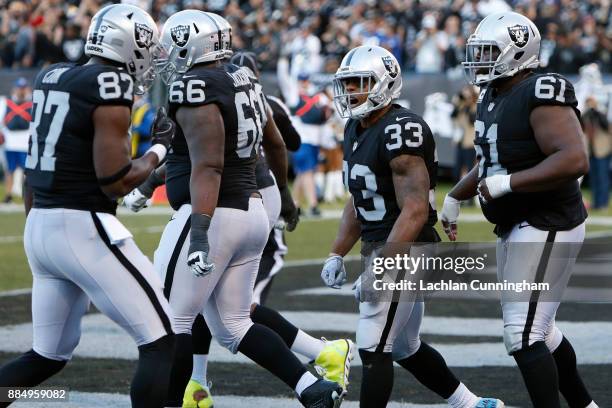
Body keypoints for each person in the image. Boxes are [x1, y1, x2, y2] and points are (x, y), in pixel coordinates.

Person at [125, 50, 354, 408]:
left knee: (171, 320)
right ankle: (312, 387)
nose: (170, 59)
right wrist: (284, 197)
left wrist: (198, 230)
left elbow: (208, 165)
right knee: (234, 323)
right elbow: (276, 145)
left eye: (176, 48)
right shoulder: (244, 83)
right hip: (253, 208)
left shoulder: (195, 90)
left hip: (211, 211)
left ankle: (179, 398)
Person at [0, 5, 176, 408]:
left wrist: (46, 236)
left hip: (41, 224)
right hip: (82, 226)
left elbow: (33, 168)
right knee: (161, 339)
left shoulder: (53, 75)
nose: (149, 56)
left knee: (46, 356)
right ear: (127, 44)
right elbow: (114, 180)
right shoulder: (110, 81)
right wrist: (160, 148)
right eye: (146, 46)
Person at [321, 44, 503, 408]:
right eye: (348, 83)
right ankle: (472, 404)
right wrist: (336, 253)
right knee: (404, 346)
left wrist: (383, 267)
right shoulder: (357, 127)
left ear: (385, 84)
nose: (351, 91)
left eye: (360, 82)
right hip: (387, 246)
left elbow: (416, 210)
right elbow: (360, 200)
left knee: (373, 344)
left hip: (407, 249)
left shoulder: (401, 129)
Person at [443, 11, 599, 408]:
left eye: (488, 52)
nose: (478, 60)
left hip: (548, 221)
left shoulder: (541, 89)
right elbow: (494, 157)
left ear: (517, 52)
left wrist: (509, 183)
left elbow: (574, 158)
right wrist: (456, 194)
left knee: (522, 333)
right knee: (540, 331)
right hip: (517, 222)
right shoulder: (494, 93)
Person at [0, 78, 31, 203]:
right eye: (19, 88)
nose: (21, 91)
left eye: (23, 88)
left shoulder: (32, 103)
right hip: (10, 141)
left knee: (26, 172)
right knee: (9, 170)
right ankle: (8, 195)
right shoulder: (6, 102)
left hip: (24, 142)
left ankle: (26, 196)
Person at [583, 96, 611, 210]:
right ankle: (596, 202)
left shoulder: (601, 114)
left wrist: (596, 111)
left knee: (603, 178)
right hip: (592, 151)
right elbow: (581, 123)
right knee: (594, 178)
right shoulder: (587, 116)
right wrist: (588, 111)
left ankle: (603, 203)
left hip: (602, 151)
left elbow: (605, 125)